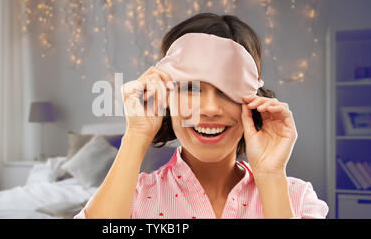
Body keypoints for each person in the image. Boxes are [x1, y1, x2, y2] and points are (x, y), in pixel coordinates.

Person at [74, 13, 328, 219]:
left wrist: (271, 176)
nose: (209, 108)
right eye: (191, 88)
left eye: (228, 90)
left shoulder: (297, 199)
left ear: (253, 100)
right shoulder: (132, 198)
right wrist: (136, 134)